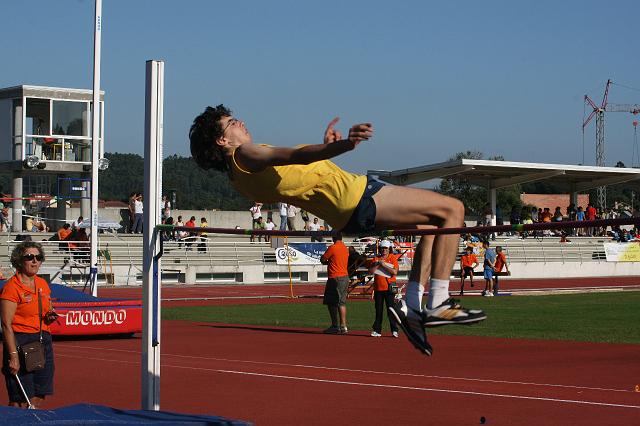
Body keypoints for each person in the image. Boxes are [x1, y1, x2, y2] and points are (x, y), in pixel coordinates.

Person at [189, 104, 485, 356]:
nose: (239, 122)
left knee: (429, 225)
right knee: (453, 210)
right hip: (357, 196)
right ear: (221, 141)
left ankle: (412, 305)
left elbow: (300, 173)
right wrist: (343, 146)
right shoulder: (246, 154)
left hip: (344, 213)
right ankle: (438, 303)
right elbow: (294, 157)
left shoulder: (238, 179)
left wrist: (324, 150)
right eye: (230, 123)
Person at [1, 241, 58, 408]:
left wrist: (50, 317)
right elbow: (6, 324)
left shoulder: (42, 284)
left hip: (42, 340)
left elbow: (47, 311)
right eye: (29, 257)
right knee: (20, 399)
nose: (35, 261)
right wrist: (13, 355)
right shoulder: (12, 287)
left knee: (39, 394)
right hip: (20, 342)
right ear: (20, 260)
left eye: (38, 257)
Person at [368, 240, 400, 338]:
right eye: (382, 248)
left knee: (391, 310)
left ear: (389, 249)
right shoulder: (376, 258)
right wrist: (378, 263)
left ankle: (394, 330)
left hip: (389, 288)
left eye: (386, 248)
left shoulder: (392, 258)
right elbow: (370, 271)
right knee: (379, 310)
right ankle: (377, 330)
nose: (384, 250)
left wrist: (384, 265)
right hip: (378, 288)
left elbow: (395, 272)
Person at [319, 232, 349, 335]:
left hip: (335, 277)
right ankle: (343, 326)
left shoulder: (333, 247)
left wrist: (327, 261)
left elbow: (323, 259)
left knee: (331, 302)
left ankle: (335, 325)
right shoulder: (345, 248)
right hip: (344, 276)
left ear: (333, 237)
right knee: (342, 302)